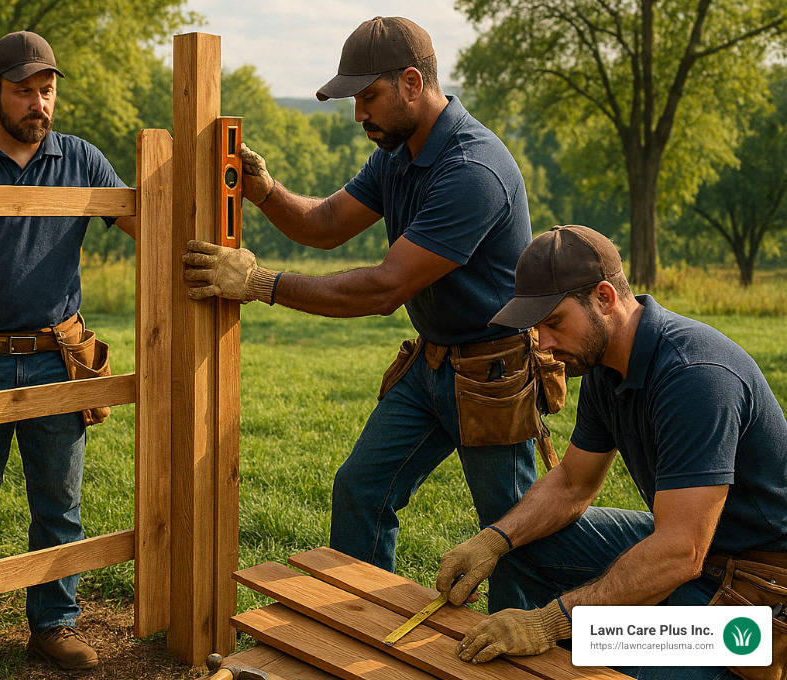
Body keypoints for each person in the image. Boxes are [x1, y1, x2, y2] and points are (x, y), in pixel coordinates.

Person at [183, 16, 552, 610]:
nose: (358, 114)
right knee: (361, 490)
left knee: (512, 530)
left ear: (412, 83)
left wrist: (258, 283)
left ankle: (523, 643)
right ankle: (359, 627)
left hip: (491, 376)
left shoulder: (471, 170)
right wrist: (264, 190)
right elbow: (325, 225)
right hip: (430, 366)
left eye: (367, 96)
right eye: (355, 99)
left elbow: (382, 290)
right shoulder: (399, 152)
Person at [436, 226, 787, 680]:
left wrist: (549, 623)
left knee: (624, 662)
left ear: (604, 297)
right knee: (523, 542)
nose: (543, 343)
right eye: (536, 327)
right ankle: (499, 658)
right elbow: (571, 483)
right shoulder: (604, 364)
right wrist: (494, 539)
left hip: (759, 591)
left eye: (554, 322)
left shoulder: (695, 377)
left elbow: (681, 552)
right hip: (693, 547)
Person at [0, 30, 135, 671]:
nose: (38, 103)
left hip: (55, 353)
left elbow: (142, 220)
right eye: (23, 92)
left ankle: (54, 624)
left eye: (47, 91)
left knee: (59, 504)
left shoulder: (82, 160)